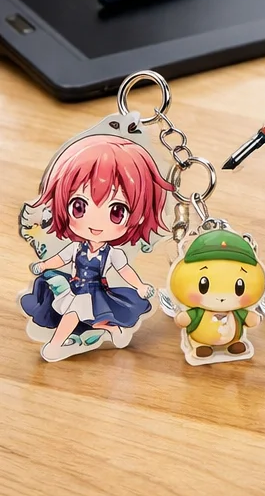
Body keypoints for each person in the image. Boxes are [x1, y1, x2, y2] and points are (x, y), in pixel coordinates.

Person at [20, 134, 171, 362]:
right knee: (89, 318)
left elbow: (124, 270)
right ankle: (113, 329)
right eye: (79, 207)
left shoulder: (113, 253)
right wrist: (43, 265)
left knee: (74, 312)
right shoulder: (76, 247)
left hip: (94, 292)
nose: (96, 223)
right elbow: (60, 259)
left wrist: (139, 286)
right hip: (75, 287)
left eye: (116, 212)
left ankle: (55, 345)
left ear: (137, 217)